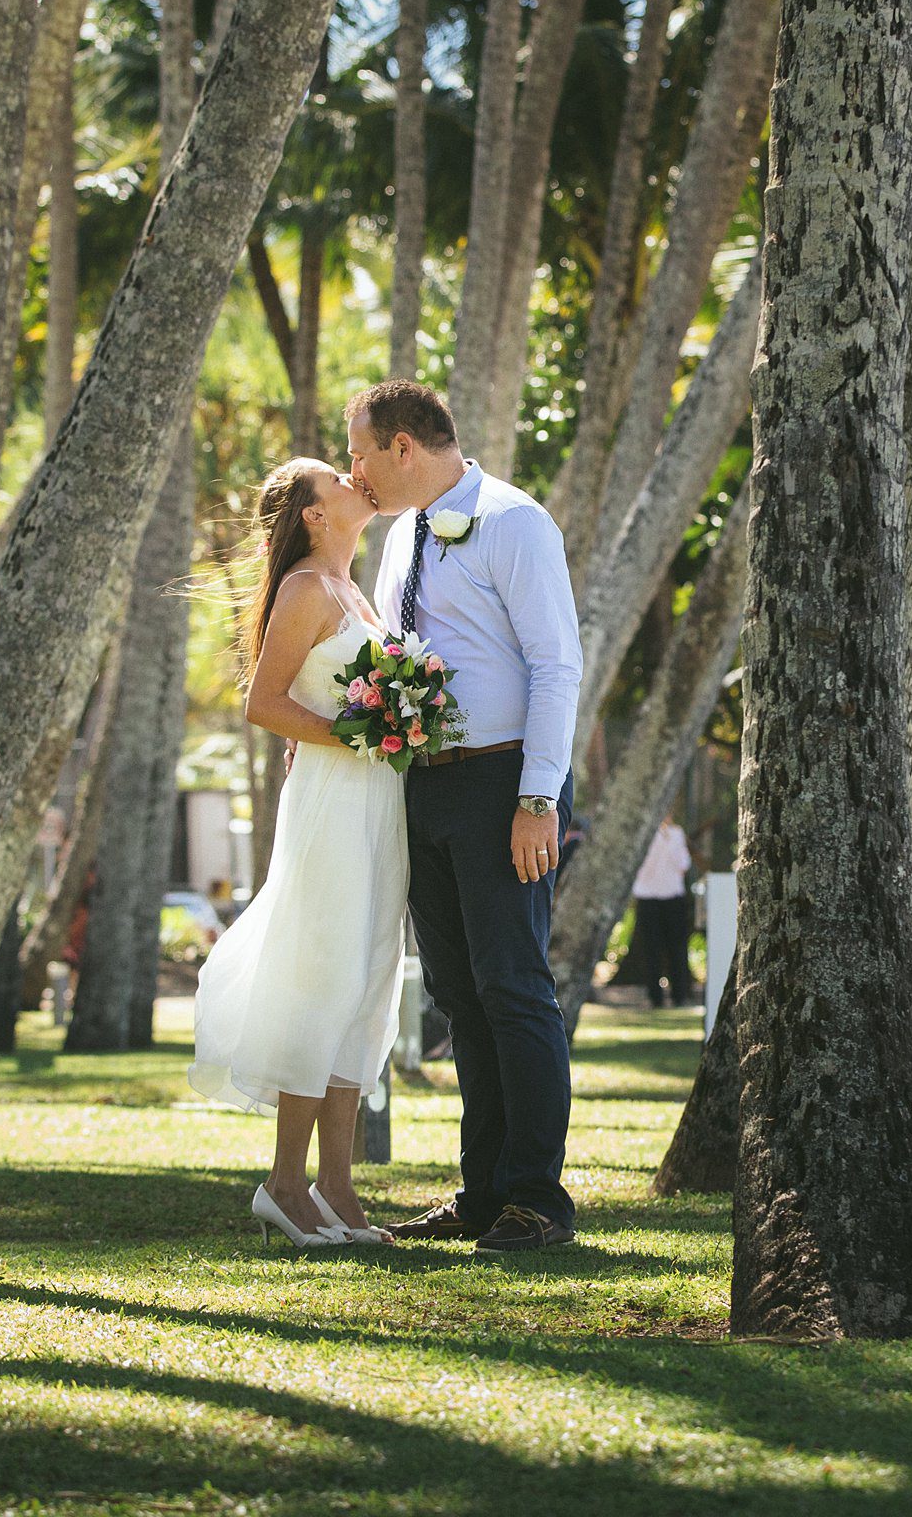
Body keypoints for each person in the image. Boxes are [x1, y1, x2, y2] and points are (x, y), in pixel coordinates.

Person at [346, 380, 584, 1253]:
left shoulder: (514, 521)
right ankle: (482, 1192)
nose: (354, 471)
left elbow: (557, 664)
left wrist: (537, 798)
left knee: (515, 989)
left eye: (362, 452)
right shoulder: (402, 533)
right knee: (458, 995)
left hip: (503, 787)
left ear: (405, 447)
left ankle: (537, 1199)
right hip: (424, 784)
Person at [187, 458, 405, 1250]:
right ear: (315, 515)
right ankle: (284, 1182)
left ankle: (338, 1187)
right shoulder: (306, 588)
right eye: (338, 479)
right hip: (333, 806)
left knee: (368, 984)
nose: (357, 479)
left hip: (382, 807)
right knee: (324, 977)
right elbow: (265, 702)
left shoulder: (359, 593)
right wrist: (361, 734)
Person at [629, 815, 695, 1009]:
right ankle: (661, 996)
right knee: (656, 949)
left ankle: (674, 995)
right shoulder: (649, 834)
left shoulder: (675, 834)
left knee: (671, 948)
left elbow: (683, 865)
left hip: (669, 896)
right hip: (652, 896)